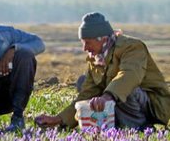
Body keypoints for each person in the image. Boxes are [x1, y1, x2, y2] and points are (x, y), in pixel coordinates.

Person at [36, 12, 170, 129]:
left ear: (103, 39)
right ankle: (116, 125)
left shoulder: (132, 47)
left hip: (153, 106)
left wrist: (107, 97)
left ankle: (138, 127)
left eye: (88, 42)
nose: (85, 48)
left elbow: (130, 75)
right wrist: (58, 119)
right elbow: (87, 94)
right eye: (83, 42)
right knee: (84, 83)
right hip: (123, 104)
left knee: (124, 88)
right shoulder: (96, 58)